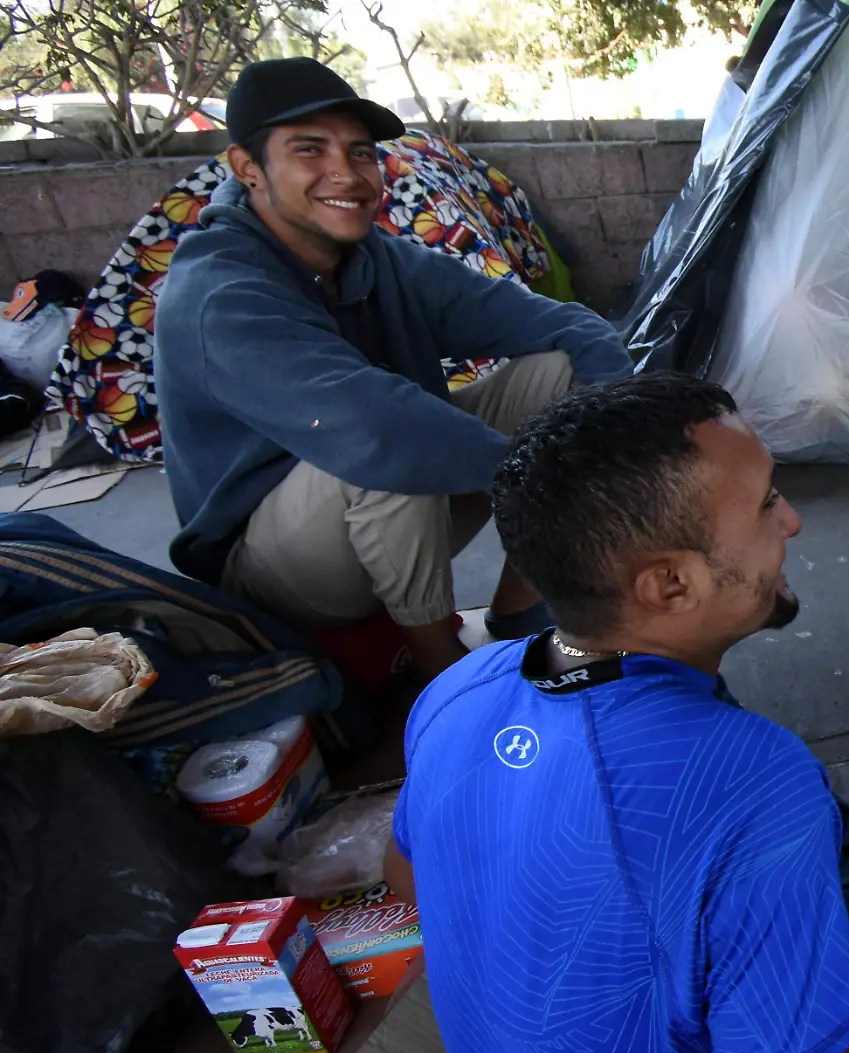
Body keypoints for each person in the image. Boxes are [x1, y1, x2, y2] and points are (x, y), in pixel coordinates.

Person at [382, 372, 849, 1053]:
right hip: (727, 894)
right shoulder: (752, 782)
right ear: (670, 583)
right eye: (766, 503)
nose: (792, 519)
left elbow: (406, 875)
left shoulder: (461, 689)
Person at [155, 57, 631, 683]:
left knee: (560, 369)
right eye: (309, 150)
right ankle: (439, 667)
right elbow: (372, 426)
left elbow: (569, 325)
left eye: (358, 153)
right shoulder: (219, 294)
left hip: (397, 506)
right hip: (275, 565)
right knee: (382, 439)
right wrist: (540, 485)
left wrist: (628, 441)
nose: (344, 175)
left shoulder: (382, 261)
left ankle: (525, 602)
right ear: (248, 168)